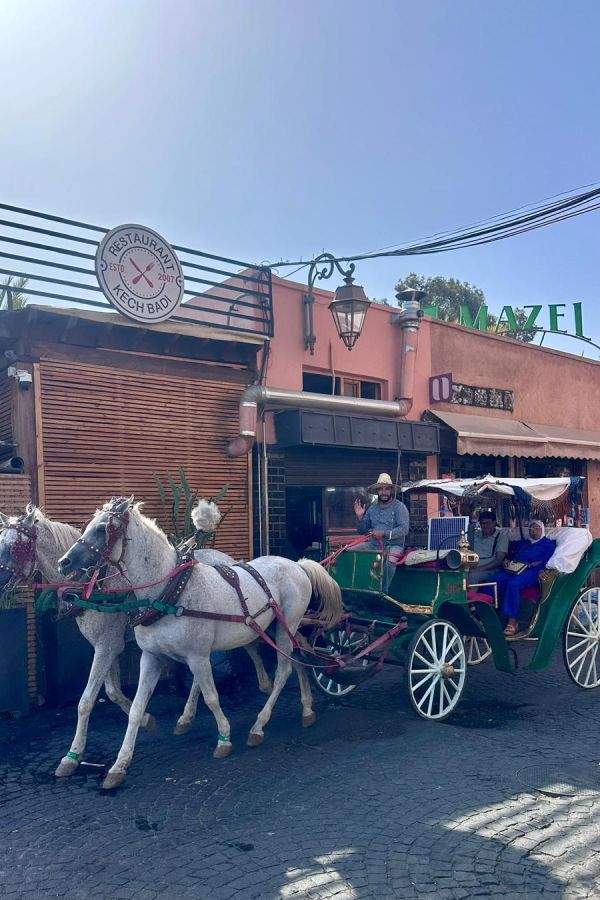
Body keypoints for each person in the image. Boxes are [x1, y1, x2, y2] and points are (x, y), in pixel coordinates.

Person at [488, 520, 556, 636]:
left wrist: (537, 566)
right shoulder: (524, 543)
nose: (533, 532)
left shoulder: (548, 544)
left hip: (535, 570)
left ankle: (512, 620)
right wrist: (506, 561)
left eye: (537, 529)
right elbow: (513, 556)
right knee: (493, 581)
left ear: (542, 530)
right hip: (516, 568)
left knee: (513, 583)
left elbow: (548, 561)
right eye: (531, 529)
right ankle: (487, 614)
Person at [353, 473, 410, 590]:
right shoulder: (372, 509)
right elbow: (362, 531)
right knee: (350, 552)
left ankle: (383, 592)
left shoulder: (400, 507)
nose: (384, 492)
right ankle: (357, 588)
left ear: (391, 490)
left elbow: (404, 529)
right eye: (381, 489)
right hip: (373, 545)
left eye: (387, 489)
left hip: (394, 546)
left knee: (389, 563)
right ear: (377, 491)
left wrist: (384, 533)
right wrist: (360, 517)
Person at [467, 510, 509, 586]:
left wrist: (477, 569)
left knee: (472, 577)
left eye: (488, 523)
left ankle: (471, 597)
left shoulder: (501, 536)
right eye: (483, 523)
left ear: (494, 523)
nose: (486, 526)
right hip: (471, 566)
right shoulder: (474, 534)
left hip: (491, 569)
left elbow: (498, 560)